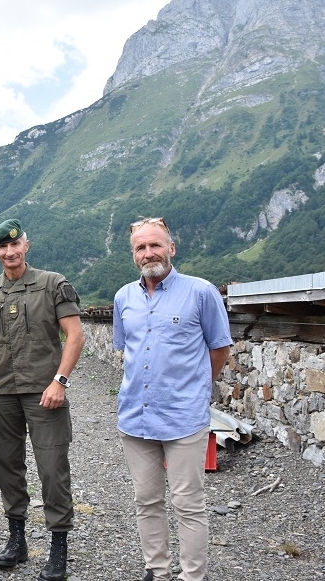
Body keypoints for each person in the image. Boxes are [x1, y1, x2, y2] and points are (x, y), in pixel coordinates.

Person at [113, 217, 231, 581]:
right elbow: (126, 350)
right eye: (141, 247)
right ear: (134, 254)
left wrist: (195, 389)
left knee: (188, 505)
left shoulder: (201, 292)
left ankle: (193, 575)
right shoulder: (123, 298)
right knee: (146, 501)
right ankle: (158, 570)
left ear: (171, 248)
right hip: (135, 418)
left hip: (183, 419)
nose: (149, 253)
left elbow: (220, 348)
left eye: (155, 245)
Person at [0, 218, 85, 581]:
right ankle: (17, 540)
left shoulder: (53, 284)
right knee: (7, 465)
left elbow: (75, 335)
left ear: (26, 246)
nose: (9, 252)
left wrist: (60, 381)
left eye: (14, 245)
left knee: (52, 469)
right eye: (2, 247)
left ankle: (58, 549)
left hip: (44, 392)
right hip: (1, 392)